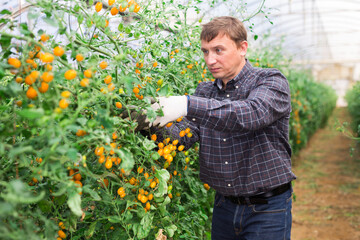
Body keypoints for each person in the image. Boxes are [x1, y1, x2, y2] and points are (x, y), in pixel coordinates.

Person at [136, 16, 296, 240]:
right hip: (224, 206)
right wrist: (149, 124)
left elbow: (248, 114)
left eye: (218, 50)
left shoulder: (270, 81)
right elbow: (183, 138)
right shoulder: (205, 92)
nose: (210, 59)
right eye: (205, 51)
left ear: (242, 48)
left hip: (267, 208)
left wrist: (185, 104)